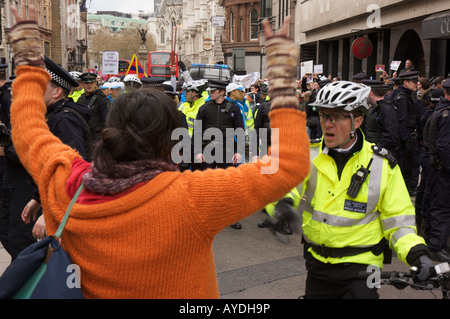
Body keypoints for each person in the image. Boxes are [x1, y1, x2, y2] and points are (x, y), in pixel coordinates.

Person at [7, 8, 309, 298]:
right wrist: (282, 82)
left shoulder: (66, 183)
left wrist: (29, 64)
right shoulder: (191, 197)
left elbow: (28, 130)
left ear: (110, 131)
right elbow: (288, 167)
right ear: (168, 140)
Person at [300, 80, 433, 299]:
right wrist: (280, 205)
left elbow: (398, 219)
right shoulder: (309, 154)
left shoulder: (382, 164)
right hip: (318, 264)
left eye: (337, 116)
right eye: (324, 116)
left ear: (358, 121)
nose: (327, 124)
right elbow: (286, 188)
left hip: (363, 266)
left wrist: (417, 254)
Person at [421, 79, 450, 262]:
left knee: (435, 204)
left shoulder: (440, 111)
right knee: (442, 207)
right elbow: (445, 146)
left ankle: (433, 241)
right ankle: (436, 246)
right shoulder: (446, 114)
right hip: (444, 169)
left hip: (437, 167)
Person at [362, 79, 400, 155]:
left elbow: (390, 136)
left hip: (380, 155)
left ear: (370, 93)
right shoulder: (374, 108)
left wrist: (377, 150)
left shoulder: (387, 109)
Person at [77, 72, 111, 150]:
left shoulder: (102, 99)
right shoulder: (81, 99)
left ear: (95, 83)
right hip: (84, 138)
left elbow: (106, 122)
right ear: (82, 84)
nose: (89, 85)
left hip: (97, 138)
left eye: (91, 82)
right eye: (86, 83)